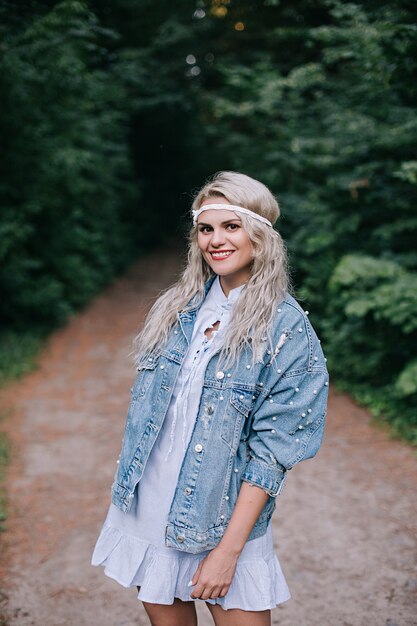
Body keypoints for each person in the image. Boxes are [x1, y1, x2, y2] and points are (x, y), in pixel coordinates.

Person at [91, 171, 329, 626]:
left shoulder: (285, 329)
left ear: (260, 237)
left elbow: (273, 452)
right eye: (206, 228)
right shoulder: (176, 310)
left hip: (223, 520)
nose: (215, 240)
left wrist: (228, 551)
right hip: (150, 506)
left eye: (231, 227)